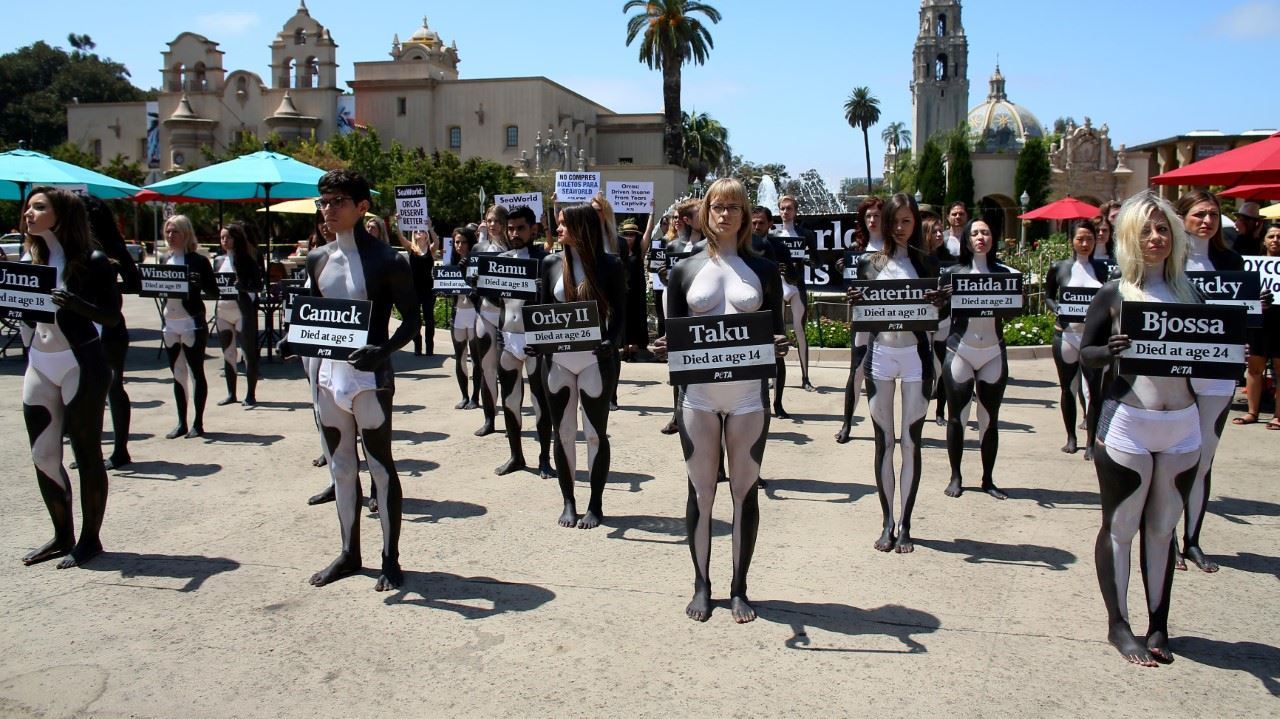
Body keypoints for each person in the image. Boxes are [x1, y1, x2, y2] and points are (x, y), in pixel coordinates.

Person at [1080, 190, 1203, 666]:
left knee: (1162, 527)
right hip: (1129, 421)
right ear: (1131, 237)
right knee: (1121, 524)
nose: (1157, 238)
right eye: (1147, 230)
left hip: (1183, 426)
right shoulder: (1114, 293)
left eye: (1164, 229)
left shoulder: (1192, 293)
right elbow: (1084, 353)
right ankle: (1119, 623)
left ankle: (1158, 624)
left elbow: (1221, 351)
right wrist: (1110, 350)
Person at [656, 178, 787, 623]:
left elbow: (775, 332)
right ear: (706, 212)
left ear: (746, 214)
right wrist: (662, 349)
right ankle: (701, 583)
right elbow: (672, 332)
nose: (725, 214)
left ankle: (739, 587)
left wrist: (779, 345)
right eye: (717, 206)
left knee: (745, 491)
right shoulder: (683, 270)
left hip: (750, 397)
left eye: (734, 206)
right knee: (702, 491)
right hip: (698, 397)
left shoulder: (765, 271)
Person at [291, 169, 419, 591]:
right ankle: (349, 553)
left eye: (337, 202)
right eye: (323, 203)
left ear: (362, 207)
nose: (327, 210)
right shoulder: (318, 258)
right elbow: (311, 310)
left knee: (380, 466)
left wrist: (382, 351)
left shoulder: (388, 260)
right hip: (328, 377)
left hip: (370, 379)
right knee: (342, 466)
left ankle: (390, 557)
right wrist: (291, 337)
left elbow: (412, 322)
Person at [20, 187, 122, 567]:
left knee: (86, 451)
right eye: (29, 206)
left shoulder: (93, 261)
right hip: (39, 361)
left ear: (61, 214)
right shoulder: (32, 259)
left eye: (39, 207)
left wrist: (77, 305)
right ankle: (61, 535)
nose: (29, 213)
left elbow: (112, 316)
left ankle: (89, 538)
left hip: (81, 362)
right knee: (43, 454)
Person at [845, 193, 944, 552]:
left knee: (911, 443)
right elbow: (857, 318)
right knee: (884, 442)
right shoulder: (869, 265)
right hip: (880, 355)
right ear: (885, 222)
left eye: (907, 221)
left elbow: (940, 320)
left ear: (916, 223)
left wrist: (941, 303)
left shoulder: (928, 264)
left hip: (916, 357)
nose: (901, 228)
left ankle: (906, 524)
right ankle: (888, 521)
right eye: (895, 221)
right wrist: (853, 304)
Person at [533, 204, 625, 529]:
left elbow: (621, 315)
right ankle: (568, 501)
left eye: (563, 225)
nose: (558, 230)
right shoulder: (550, 264)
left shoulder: (609, 265)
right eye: (558, 224)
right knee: (565, 432)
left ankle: (595, 504)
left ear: (581, 228)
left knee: (595, 434)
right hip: (557, 360)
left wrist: (611, 344)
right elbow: (542, 311)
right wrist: (536, 342)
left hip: (594, 360)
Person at [1172, 190, 1247, 573]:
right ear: (1182, 218)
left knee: (1203, 459)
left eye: (1213, 215)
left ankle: (1193, 540)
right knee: (1172, 459)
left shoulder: (1231, 262)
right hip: (1176, 373)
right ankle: (1165, 538)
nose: (1207, 221)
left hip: (1218, 374)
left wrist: (1256, 307)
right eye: (1199, 214)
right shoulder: (1169, 263)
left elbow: (1243, 317)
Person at [940, 218, 1016, 500]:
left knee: (989, 419)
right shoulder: (952, 273)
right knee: (957, 417)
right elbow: (936, 314)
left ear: (992, 237)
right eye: (975, 233)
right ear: (967, 240)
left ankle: (988, 479)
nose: (980, 237)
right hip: (960, 349)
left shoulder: (1005, 273)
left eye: (985, 231)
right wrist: (942, 299)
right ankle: (956, 476)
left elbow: (1011, 312)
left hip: (993, 351)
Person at [494, 206, 553, 477]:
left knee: (540, 401)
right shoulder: (502, 260)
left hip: (535, 340)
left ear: (533, 229)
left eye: (520, 228)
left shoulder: (545, 261)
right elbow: (495, 299)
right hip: (507, 337)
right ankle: (516, 455)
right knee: (510, 400)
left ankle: (544, 458)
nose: (514, 233)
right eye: (510, 228)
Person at [83, 196, 139, 469]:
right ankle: (89, 449)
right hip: (82, 326)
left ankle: (120, 450)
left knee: (113, 387)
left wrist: (111, 280)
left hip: (109, 326)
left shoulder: (113, 248)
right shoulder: (73, 249)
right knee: (85, 390)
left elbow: (135, 282)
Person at [1044, 220, 1109, 457]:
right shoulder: (1059, 267)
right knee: (1067, 389)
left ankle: (1091, 441)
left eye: (1089, 239)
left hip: (1093, 338)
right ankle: (1071, 437)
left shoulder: (1103, 269)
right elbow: (1048, 296)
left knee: (1094, 390)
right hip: (1066, 335)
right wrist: (1057, 308)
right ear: (1071, 240)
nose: (1085, 244)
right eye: (1080, 239)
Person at [159, 215, 217, 439]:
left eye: (176, 232)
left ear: (186, 234)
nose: (171, 236)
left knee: (196, 372)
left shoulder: (198, 261)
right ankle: (181, 422)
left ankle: (198, 423)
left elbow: (214, 293)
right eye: (168, 232)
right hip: (170, 323)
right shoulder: (165, 260)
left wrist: (198, 283)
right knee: (177, 373)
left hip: (191, 322)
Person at [835, 196, 886, 443]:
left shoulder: (895, 249)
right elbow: (849, 286)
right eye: (868, 216)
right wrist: (842, 269)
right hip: (864, 316)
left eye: (877, 215)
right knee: (856, 370)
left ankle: (883, 427)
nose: (873, 220)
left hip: (891, 317)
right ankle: (847, 423)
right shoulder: (856, 251)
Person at [214, 222, 262, 407]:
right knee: (228, 354)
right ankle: (231, 393)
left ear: (237, 239)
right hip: (222, 310)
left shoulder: (248, 259)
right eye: (222, 237)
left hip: (243, 311)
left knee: (249, 354)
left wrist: (242, 286)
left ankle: (251, 394)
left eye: (228, 237)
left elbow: (258, 285)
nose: (225, 241)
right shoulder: (218, 261)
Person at [472, 204, 510, 436]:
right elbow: (471, 282)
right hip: (485, 312)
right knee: (487, 368)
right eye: (489, 220)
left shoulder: (513, 249)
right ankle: (489, 418)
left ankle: (510, 418)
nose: (493, 224)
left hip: (508, 315)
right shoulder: (479, 247)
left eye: (497, 220)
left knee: (508, 369)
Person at [1239, 222, 1280, 430]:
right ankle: (1252, 412)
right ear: (1264, 240)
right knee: (1254, 367)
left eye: (1279, 237)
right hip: (1260, 321)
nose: (1275, 241)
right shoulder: (1253, 265)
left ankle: (1278, 415)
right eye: (1271, 236)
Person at [774, 195, 816, 394]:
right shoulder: (773, 235)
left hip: (796, 285)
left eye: (789, 208)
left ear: (796, 211)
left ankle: (806, 377)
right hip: (777, 287)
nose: (785, 212)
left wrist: (807, 259)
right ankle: (774, 377)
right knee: (776, 333)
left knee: (800, 331)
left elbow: (817, 260)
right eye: (782, 208)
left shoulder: (805, 234)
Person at [448, 227, 482, 410]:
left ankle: (476, 396)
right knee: (460, 357)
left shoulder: (475, 262)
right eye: (456, 242)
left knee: (476, 358)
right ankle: (464, 395)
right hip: (458, 314)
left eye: (463, 242)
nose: (459, 246)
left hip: (474, 313)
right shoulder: (452, 263)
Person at [395, 219, 438, 356]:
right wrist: (398, 223)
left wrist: (430, 228)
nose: (419, 232)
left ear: (426, 235)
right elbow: (400, 237)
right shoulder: (411, 249)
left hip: (428, 288)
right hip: (414, 288)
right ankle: (417, 346)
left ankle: (429, 347)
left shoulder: (431, 249)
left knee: (429, 318)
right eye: (417, 231)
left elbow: (436, 242)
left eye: (422, 231)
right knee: (416, 319)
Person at [619, 218, 649, 361]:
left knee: (637, 316)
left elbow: (648, 233)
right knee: (623, 316)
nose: (629, 237)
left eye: (632, 234)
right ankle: (624, 347)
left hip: (637, 290)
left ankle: (635, 348)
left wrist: (651, 213)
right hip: (622, 289)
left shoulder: (639, 252)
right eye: (626, 234)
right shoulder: (617, 251)